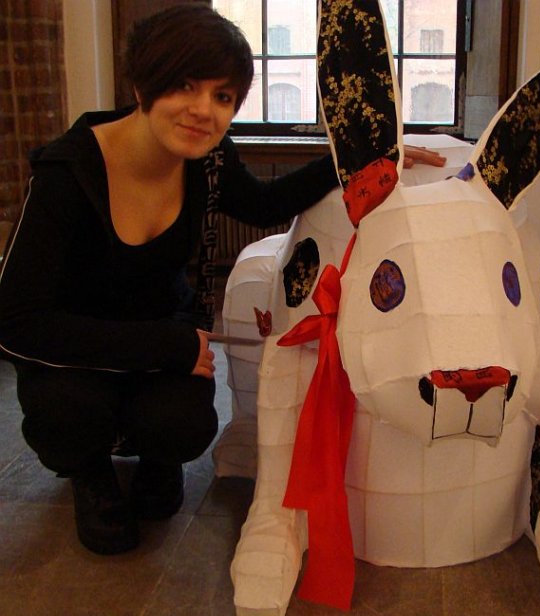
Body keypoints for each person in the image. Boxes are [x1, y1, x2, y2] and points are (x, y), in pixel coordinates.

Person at [0, 2, 444, 556]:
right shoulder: (67, 175)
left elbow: (262, 204)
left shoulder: (207, 160)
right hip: (78, 353)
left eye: (223, 96)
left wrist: (352, 163)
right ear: (141, 84)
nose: (203, 110)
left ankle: (157, 459)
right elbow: (15, 322)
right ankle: (91, 475)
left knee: (185, 423)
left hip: (161, 334)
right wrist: (169, 346)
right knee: (66, 414)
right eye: (185, 86)